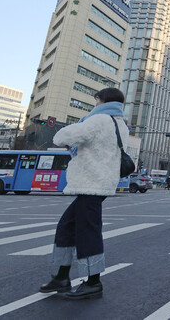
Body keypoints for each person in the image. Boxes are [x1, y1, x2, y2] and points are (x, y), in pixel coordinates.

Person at [39, 87, 128, 300]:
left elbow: (62, 137)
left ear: (102, 100)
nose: (94, 104)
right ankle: (61, 276)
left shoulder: (99, 120)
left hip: (92, 182)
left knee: (87, 231)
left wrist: (80, 122)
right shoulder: (120, 123)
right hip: (100, 181)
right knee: (68, 227)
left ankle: (93, 282)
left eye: (96, 100)